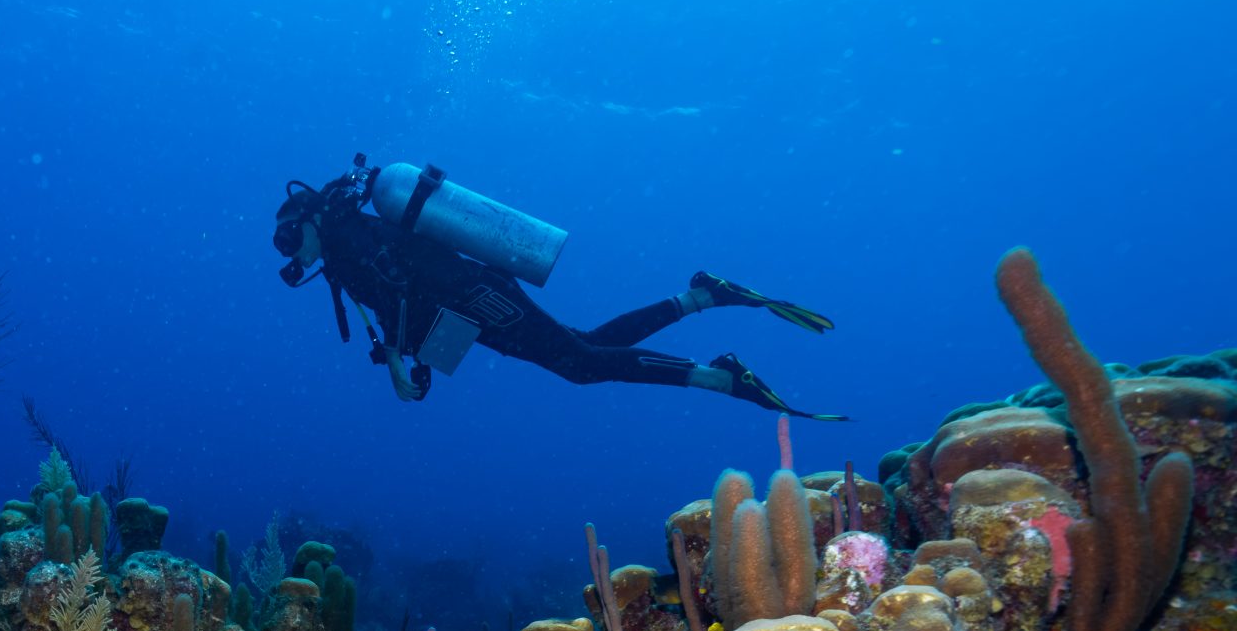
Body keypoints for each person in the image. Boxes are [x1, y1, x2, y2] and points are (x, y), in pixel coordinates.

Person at [273, 159, 844, 419]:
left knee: (582, 363)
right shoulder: (347, 248)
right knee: (584, 345)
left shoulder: (346, 241)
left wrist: (399, 360)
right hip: (465, 306)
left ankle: (722, 379)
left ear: (306, 221)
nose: (290, 256)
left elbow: (398, 288)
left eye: (285, 241)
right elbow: (403, 290)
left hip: (473, 297)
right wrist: (414, 355)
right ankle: (702, 296)